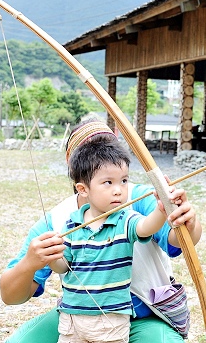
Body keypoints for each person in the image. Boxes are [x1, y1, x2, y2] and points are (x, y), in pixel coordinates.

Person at [0, 120, 201, 343]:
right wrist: (30, 262)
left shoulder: (139, 199)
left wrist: (186, 221)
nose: (117, 187)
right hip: (77, 318)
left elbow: (179, 239)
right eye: (92, 155)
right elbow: (10, 295)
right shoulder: (57, 220)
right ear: (76, 172)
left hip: (144, 318)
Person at [49, 138, 169, 342]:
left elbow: (147, 226)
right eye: (108, 182)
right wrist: (51, 256)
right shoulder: (72, 224)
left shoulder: (126, 219)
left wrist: (162, 208)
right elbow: (63, 266)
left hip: (111, 320)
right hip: (71, 319)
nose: (119, 190)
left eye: (123, 180)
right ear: (83, 189)